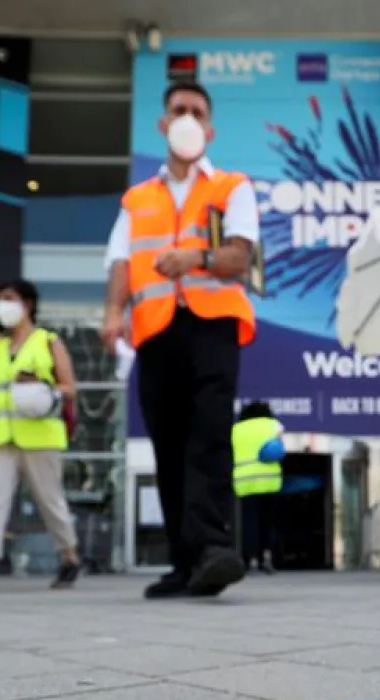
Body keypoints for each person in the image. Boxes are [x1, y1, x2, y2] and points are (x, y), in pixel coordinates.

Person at [101, 79, 259, 600]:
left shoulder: (231, 186)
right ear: (163, 124)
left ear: (208, 129)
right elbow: (121, 262)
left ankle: (214, 547)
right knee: (167, 445)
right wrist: (111, 314)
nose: (187, 117)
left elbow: (242, 257)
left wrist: (195, 258)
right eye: (178, 109)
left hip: (212, 323)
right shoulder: (137, 198)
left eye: (196, 110)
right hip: (156, 330)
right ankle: (184, 564)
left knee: (209, 435)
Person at [0, 280, 82, 592]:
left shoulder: (48, 341)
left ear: (28, 304)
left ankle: (69, 557)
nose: (1, 305)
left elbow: (70, 387)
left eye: (9, 298)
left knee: (51, 502)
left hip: (39, 435)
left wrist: (39, 388)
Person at [233, 401, 285, 573]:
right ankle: (267, 556)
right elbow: (279, 449)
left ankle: (250, 559)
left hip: (245, 482)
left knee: (249, 522)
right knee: (269, 522)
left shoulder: (236, 430)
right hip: (270, 481)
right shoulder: (273, 425)